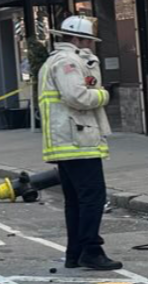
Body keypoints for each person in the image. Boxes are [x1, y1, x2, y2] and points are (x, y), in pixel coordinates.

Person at [37, 15, 118, 271]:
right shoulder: (68, 62)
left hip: (67, 140)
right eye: (89, 41)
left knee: (75, 200)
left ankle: (75, 253)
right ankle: (91, 250)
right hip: (77, 140)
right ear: (77, 40)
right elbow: (77, 96)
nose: (92, 47)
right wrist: (104, 95)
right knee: (93, 197)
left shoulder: (56, 60)